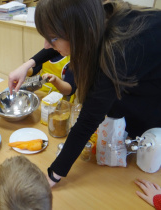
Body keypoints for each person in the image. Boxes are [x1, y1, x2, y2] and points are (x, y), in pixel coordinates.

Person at [8, 0, 161, 186]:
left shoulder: (116, 52)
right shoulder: (96, 18)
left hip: (151, 99)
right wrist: (29, 64)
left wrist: (52, 176)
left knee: (147, 155)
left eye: (52, 38)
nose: (46, 45)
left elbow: (87, 121)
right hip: (138, 79)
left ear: (79, 34)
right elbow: (62, 41)